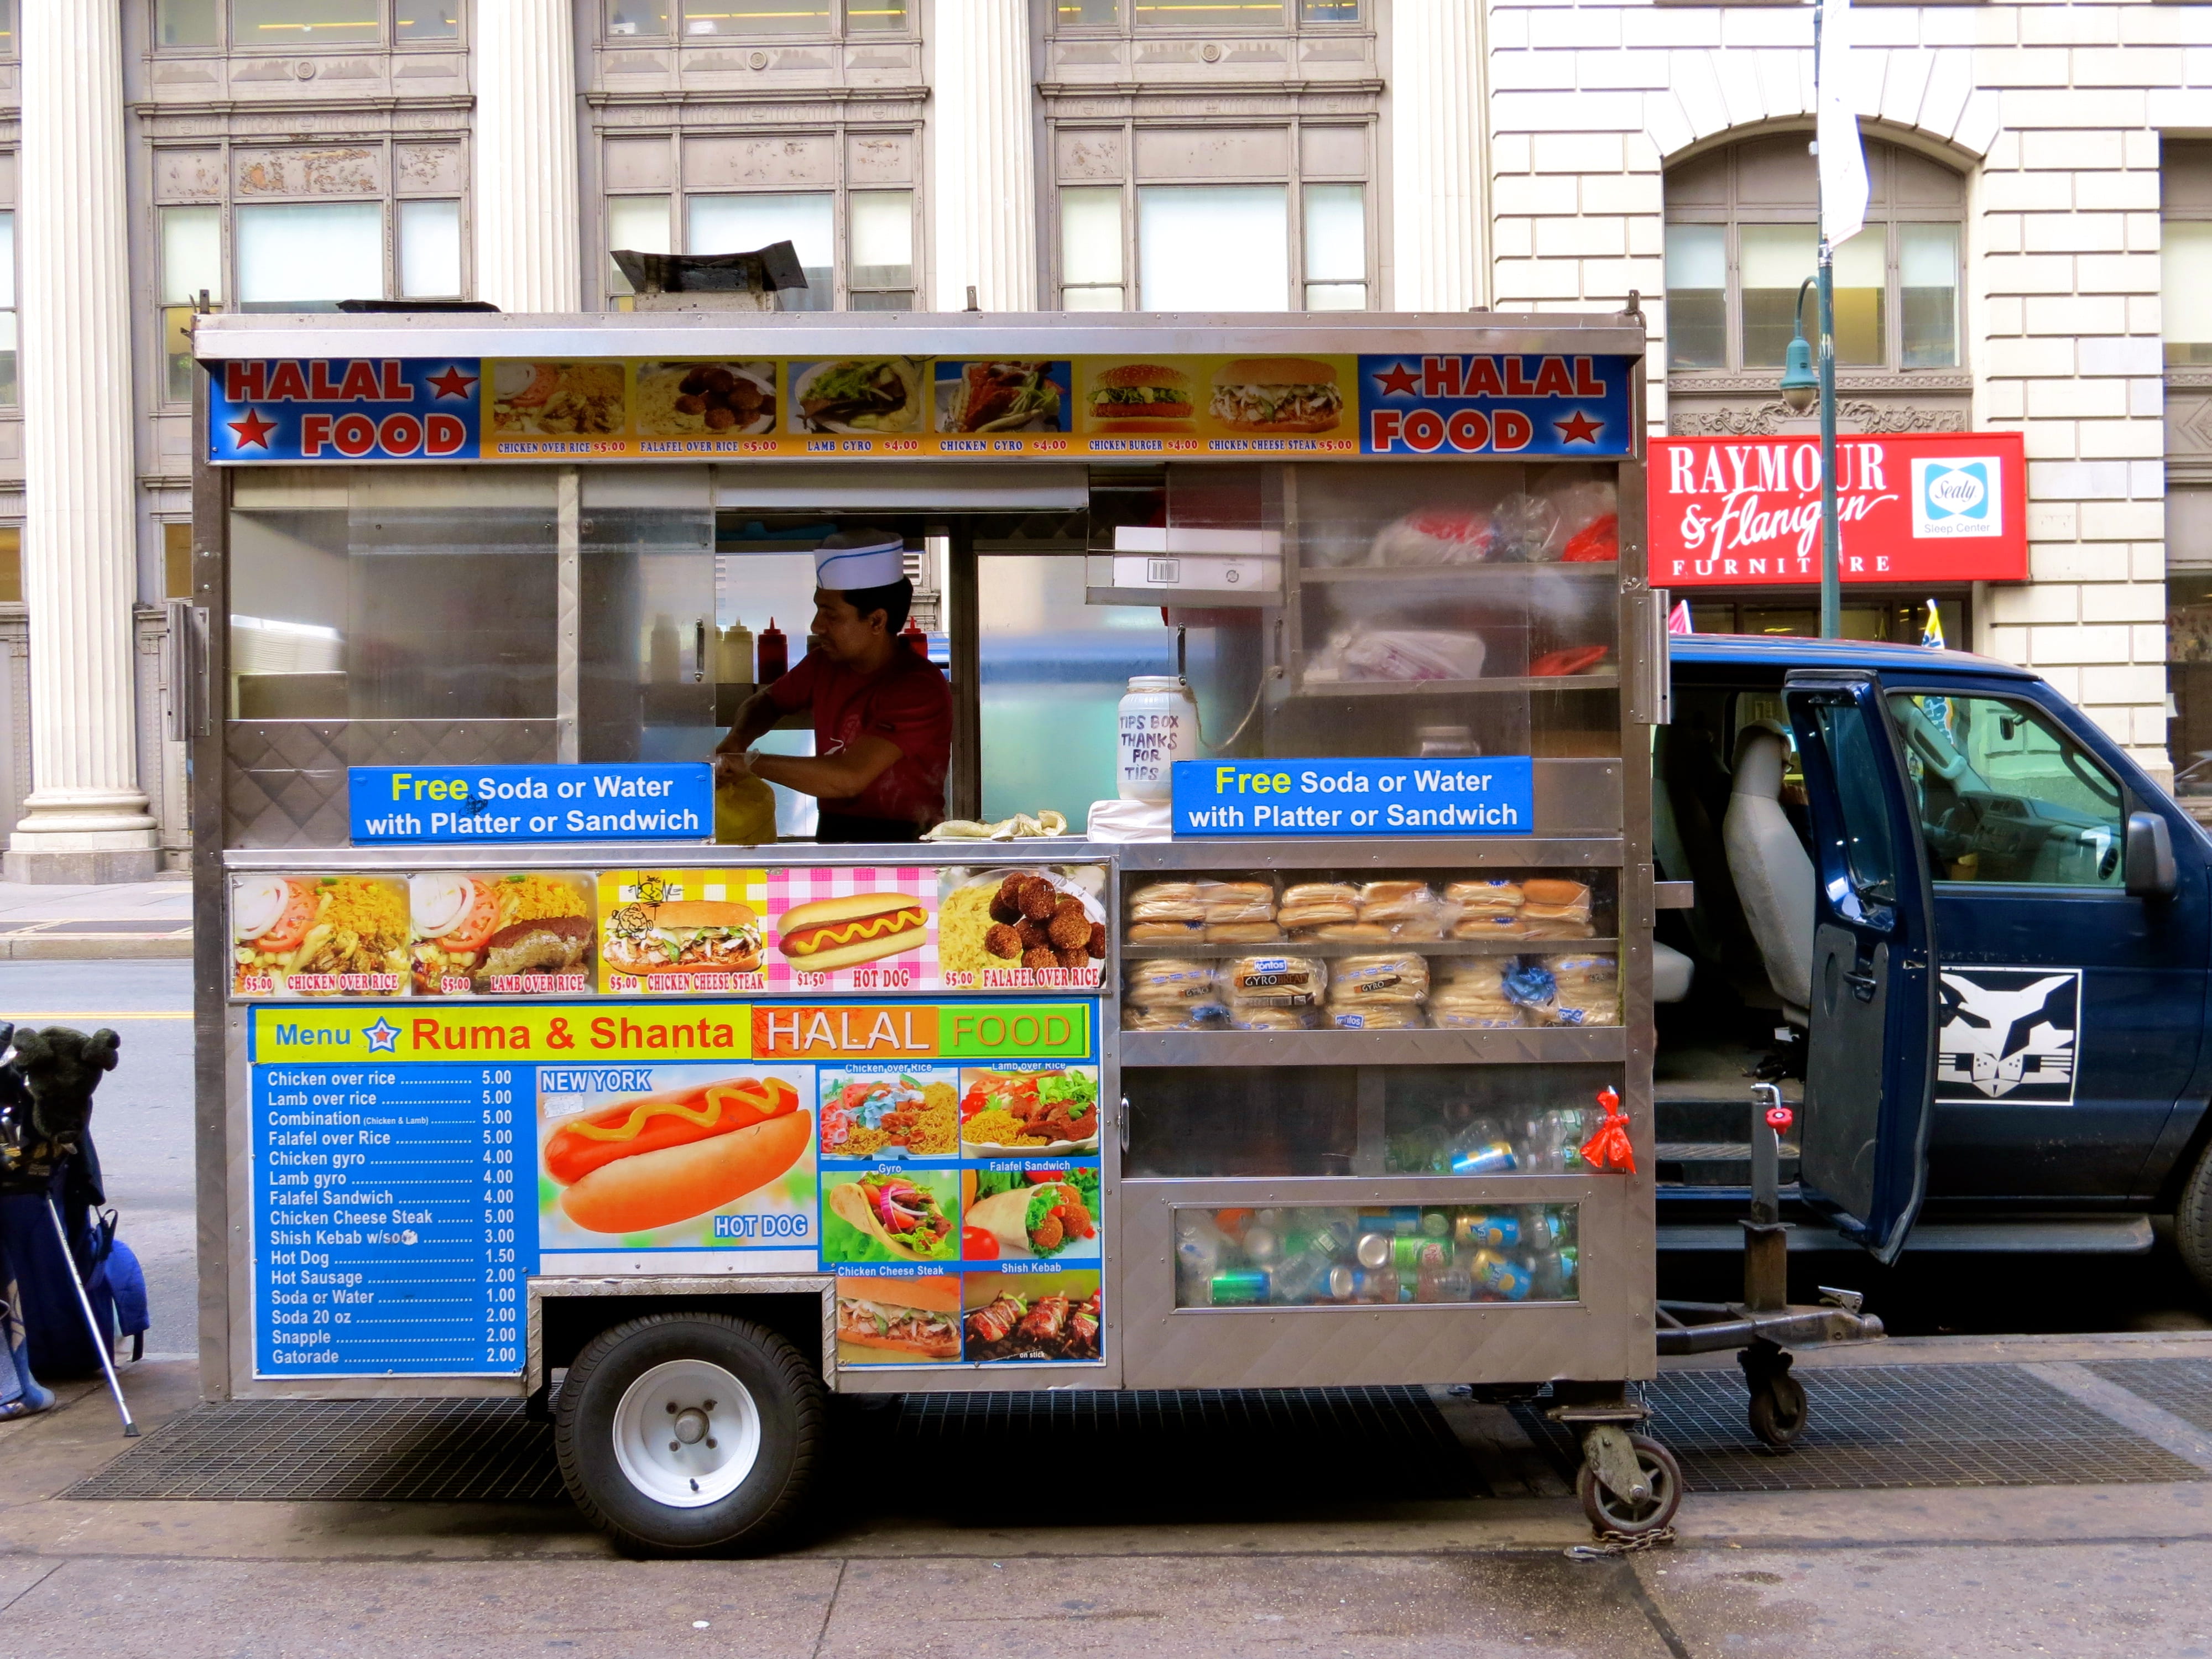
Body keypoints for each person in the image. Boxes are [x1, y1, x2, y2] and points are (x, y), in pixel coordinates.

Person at [714, 529, 952, 843]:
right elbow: (768, 701)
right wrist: (737, 738)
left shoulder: (918, 687)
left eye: (831, 615)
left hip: (905, 841)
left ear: (877, 622)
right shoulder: (823, 665)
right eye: (818, 609)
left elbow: (849, 777)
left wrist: (750, 763)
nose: (816, 626)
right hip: (833, 831)